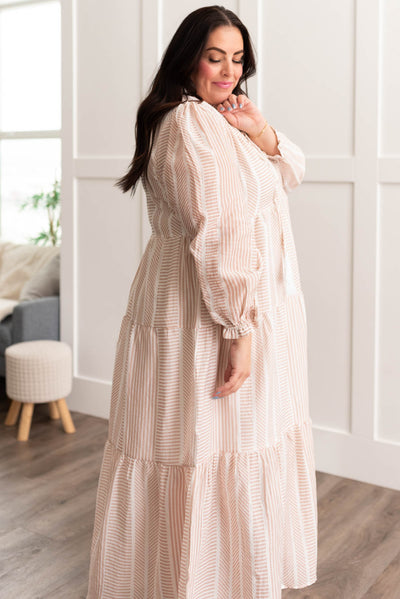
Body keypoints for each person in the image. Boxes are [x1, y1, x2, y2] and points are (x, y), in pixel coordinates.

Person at [86, 5, 318, 598]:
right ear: (186, 57)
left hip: (227, 311)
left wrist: (260, 131)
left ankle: (217, 581)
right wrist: (240, 329)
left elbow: (290, 171)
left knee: (221, 448)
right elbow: (217, 232)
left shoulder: (220, 121)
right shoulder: (188, 125)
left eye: (237, 60)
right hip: (202, 316)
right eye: (215, 57)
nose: (227, 71)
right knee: (196, 448)